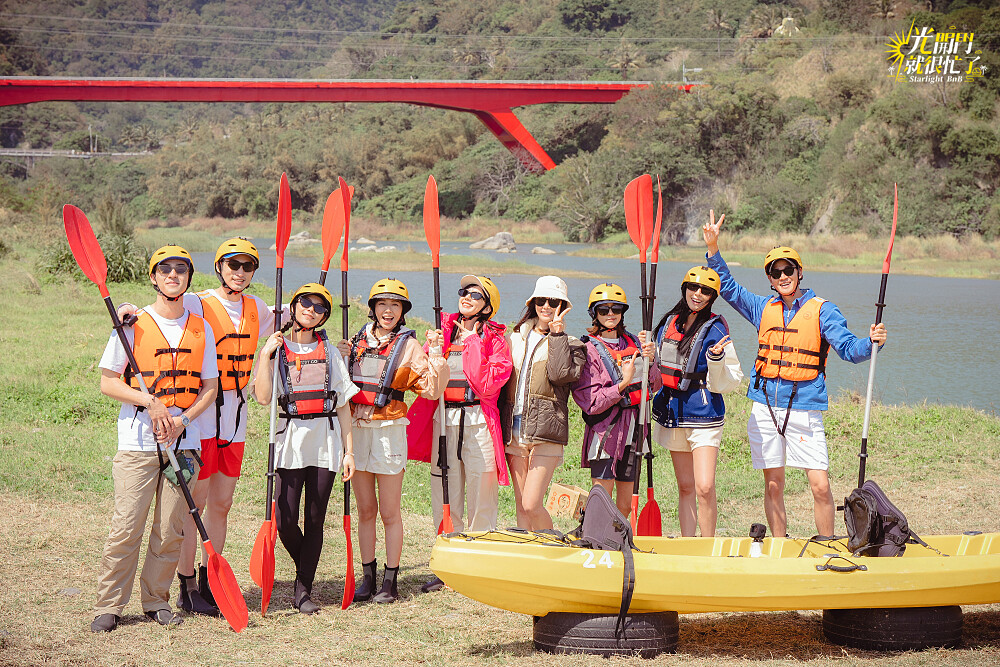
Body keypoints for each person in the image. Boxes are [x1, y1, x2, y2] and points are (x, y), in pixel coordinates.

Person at [117, 238, 285, 616]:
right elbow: (157, 308)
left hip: (236, 418)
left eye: (247, 266)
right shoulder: (198, 301)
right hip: (202, 416)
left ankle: (212, 580)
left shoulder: (259, 308)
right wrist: (127, 308)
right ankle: (186, 584)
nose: (239, 272)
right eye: (232, 264)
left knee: (222, 504)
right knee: (196, 504)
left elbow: (302, 313)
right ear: (219, 266)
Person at [703, 211, 887, 538]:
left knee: (819, 485)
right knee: (773, 484)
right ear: (770, 279)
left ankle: (827, 544)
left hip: (805, 408)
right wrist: (714, 248)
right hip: (765, 407)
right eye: (776, 272)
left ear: (799, 273)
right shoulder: (763, 308)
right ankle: (779, 545)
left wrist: (870, 343)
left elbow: (847, 347)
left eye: (789, 269)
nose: (783, 275)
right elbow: (728, 288)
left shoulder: (822, 309)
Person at [92, 245, 219, 632]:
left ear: (188, 279)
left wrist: (183, 420)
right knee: (127, 525)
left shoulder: (201, 327)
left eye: (181, 270)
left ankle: (156, 599)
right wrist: (151, 402)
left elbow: (210, 388)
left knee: (171, 528)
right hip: (137, 442)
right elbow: (108, 382)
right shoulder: (131, 324)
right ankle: (110, 604)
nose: (173, 276)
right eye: (165, 270)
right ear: (153, 277)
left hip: (184, 443)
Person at [337, 278, 447, 603]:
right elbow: (340, 387)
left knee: (389, 511)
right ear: (373, 308)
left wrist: (437, 355)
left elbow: (431, 389)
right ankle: (367, 577)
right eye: (382, 304)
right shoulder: (355, 342)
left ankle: (390, 582)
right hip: (358, 430)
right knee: (365, 509)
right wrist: (340, 356)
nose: (388, 311)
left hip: (389, 432)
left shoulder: (409, 346)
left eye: (395, 305)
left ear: (402, 312)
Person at [252, 283, 357, 614]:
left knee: (315, 518)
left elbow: (342, 406)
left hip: (325, 439)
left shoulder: (330, 352)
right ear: (294, 306)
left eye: (319, 307)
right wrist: (264, 355)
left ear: (324, 316)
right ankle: (306, 567)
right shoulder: (278, 348)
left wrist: (349, 452)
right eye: (305, 303)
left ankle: (303, 589)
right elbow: (264, 397)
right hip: (289, 438)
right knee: (284, 519)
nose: (311, 310)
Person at [406, 276, 513, 593]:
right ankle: (448, 564)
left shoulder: (495, 340)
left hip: (479, 418)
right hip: (445, 418)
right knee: (445, 493)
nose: (466, 297)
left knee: (483, 490)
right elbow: (424, 381)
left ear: (487, 305)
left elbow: (488, 384)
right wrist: (431, 351)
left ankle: (480, 563)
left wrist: (474, 343)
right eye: (463, 292)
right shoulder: (443, 332)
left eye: (475, 294)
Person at [649, 267, 743, 537]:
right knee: (686, 486)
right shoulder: (670, 322)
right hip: (672, 413)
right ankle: (689, 544)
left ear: (713, 296)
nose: (698, 294)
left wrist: (716, 360)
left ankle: (707, 546)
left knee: (704, 486)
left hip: (704, 414)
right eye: (693, 288)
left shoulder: (716, 329)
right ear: (685, 289)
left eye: (706, 291)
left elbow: (731, 378)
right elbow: (657, 365)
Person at [502, 276, 587, 531]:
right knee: (520, 506)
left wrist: (557, 334)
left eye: (554, 301)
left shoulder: (573, 345)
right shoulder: (514, 338)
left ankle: (553, 545)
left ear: (564, 305)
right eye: (542, 300)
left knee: (531, 504)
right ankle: (529, 558)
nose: (547, 306)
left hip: (547, 432)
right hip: (514, 429)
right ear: (533, 303)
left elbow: (560, 374)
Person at [571, 283, 656, 517]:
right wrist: (622, 384)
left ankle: (616, 543)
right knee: (602, 501)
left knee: (625, 506)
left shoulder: (636, 344)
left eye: (616, 309)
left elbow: (654, 385)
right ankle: (593, 539)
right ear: (594, 314)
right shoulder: (588, 350)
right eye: (603, 310)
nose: (610, 315)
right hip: (605, 433)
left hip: (635, 431)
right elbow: (591, 401)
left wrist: (653, 360)